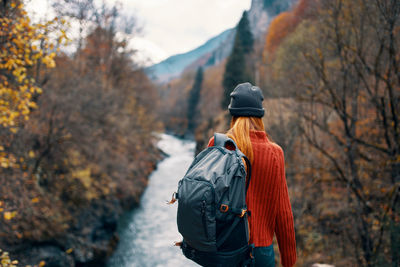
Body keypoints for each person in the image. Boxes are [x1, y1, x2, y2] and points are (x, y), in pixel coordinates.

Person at [207, 82, 297, 267]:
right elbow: (283, 213)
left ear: (233, 114)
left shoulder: (218, 145)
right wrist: (288, 262)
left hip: (223, 249)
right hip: (260, 252)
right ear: (260, 116)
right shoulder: (275, 153)